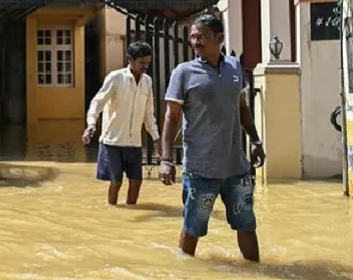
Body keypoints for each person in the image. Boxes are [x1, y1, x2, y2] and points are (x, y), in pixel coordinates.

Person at [158, 14, 266, 262]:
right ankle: (186, 276)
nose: (196, 41)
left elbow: (242, 108)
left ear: (219, 38)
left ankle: (256, 274)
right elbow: (171, 118)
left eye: (202, 36)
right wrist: (165, 159)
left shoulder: (234, 68)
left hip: (236, 169)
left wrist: (256, 141)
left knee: (247, 225)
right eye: (193, 36)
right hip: (200, 170)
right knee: (192, 228)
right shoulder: (183, 73)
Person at [83, 42, 161, 206]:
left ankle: (130, 209)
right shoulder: (115, 77)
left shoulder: (147, 81)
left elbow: (148, 114)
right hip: (113, 141)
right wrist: (91, 124)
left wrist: (156, 139)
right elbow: (98, 102)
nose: (145, 66)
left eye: (148, 62)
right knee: (116, 181)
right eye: (141, 63)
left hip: (134, 143)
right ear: (130, 59)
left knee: (136, 182)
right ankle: (113, 211)